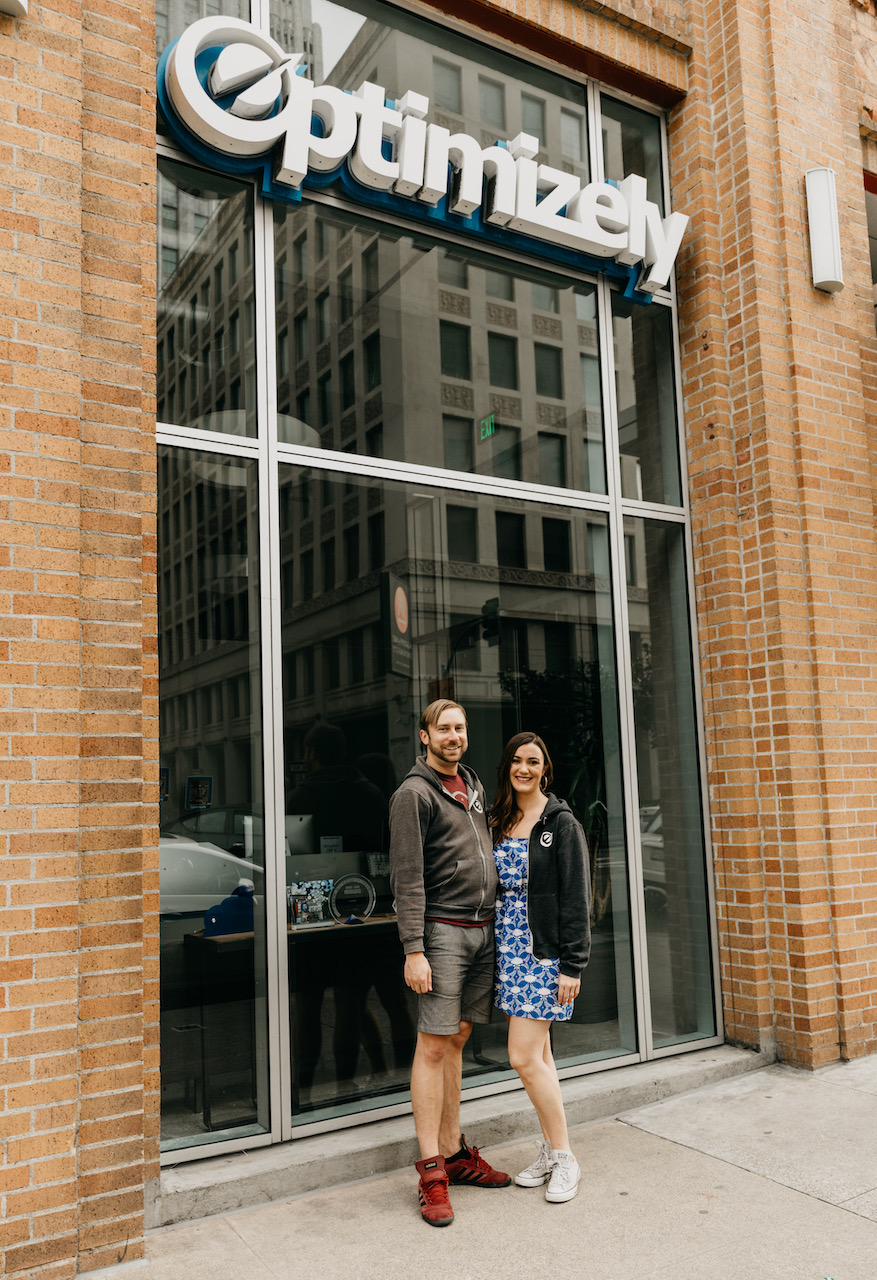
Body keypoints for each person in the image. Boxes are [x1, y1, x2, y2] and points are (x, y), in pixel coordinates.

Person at [389, 699, 511, 1227]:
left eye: (460, 728)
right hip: (441, 933)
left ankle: (456, 1153)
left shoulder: (474, 787)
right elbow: (407, 878)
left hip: (482, 931)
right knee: (433, 1044)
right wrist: (413, 949)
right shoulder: (413, 795)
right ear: (424, 736)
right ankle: (431, 1172)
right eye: (444, 729)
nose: (454, 736)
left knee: (459, 1037)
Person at [490, 731, 591, 1204]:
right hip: (507, 953)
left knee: (523, 1058)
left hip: (542, 955)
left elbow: (576, 899)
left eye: (533, 761)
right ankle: (553, 1151)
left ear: (545, 769)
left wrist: (573, 965)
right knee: (542, 1058)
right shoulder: (499, 818)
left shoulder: (561, 822)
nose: (523, 768)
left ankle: (566, 1158)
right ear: (507, 767)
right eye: (516, 760)